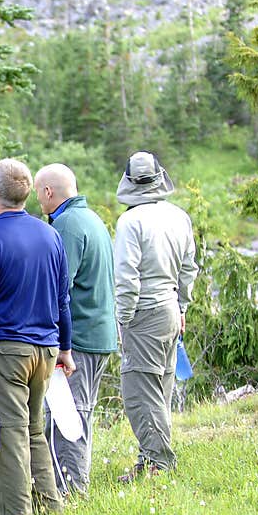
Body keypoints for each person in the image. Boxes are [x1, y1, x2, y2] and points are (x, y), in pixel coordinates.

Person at [0, 158, 75, 515]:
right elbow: (63, 300)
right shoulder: (51, 236)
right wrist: (65, 348)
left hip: (8, 352)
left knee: (9, 435)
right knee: (34, 431)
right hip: (45, 351)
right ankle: (49, 507)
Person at [33, 163, 118, 496]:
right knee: (80, 413)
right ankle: (74, 486)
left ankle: (71, 492)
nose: (38, 200)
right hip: (99, 333)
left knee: (67, 419)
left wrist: (51, 338)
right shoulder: (92, 219)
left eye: (39, 193)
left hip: (79, 338)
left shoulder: (67, 224)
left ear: (48, 192)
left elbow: (58, 288)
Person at [113, 151, 198, 482]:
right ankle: (149, 459)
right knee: (159, 390)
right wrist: (182, 307)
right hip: (170, 309)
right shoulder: (178, 216)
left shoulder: (130, 222)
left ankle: (160, 464)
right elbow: (189, 268)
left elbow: (126, 277)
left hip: (143, 313)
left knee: (137, 393)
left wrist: (123, 320)